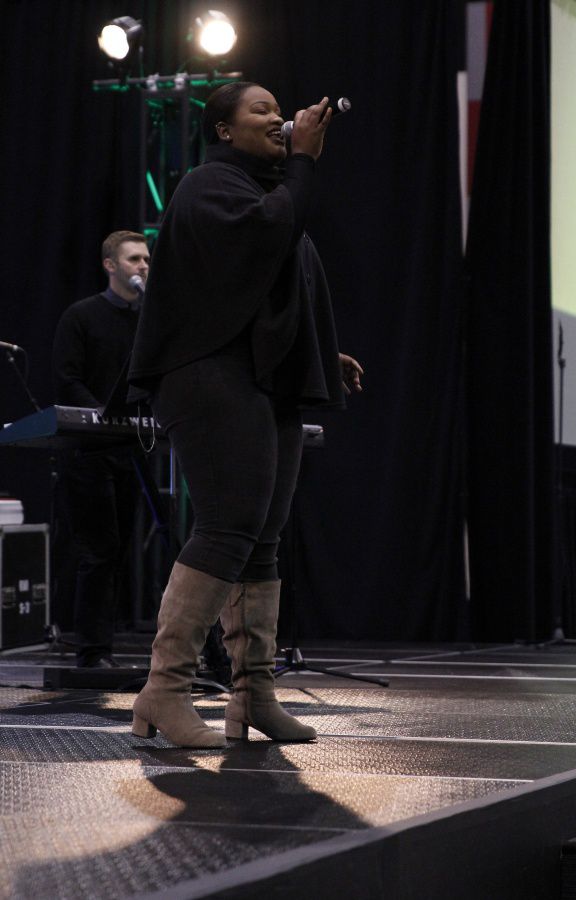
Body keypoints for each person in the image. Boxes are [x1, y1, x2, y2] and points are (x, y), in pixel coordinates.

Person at [128, 83, 363, 748]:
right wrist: (304, 160)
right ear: (224, 130)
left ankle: (252, 695)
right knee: (228, 526)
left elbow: (261, 290)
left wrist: (318, 351)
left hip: (259, 378)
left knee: (262, 538)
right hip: (207, 376)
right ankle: (164, 690)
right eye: (260, 109)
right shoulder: (209, 184)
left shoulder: (267, 193)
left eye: (277, 108)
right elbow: (262, 242)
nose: (277, 116)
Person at [52, 231, 150, 667]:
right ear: (110, 265)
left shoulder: (148, 321)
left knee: (120, 548)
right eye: (134, 259)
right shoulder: (82, 316)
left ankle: (105, 645)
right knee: (98, 550)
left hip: (130, 448)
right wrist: (100, 416)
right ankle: (93, 651)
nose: (143, 266)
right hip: (89, 451)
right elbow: (67, 378)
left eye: (146, 259)